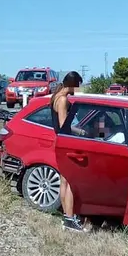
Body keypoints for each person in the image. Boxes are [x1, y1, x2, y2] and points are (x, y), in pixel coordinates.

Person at [50, 71, 88, 232]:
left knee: (64, 181)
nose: (78, 89)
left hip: (59, 143)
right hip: (66, 143)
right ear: (72, 84)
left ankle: (67, 218)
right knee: (70, 182)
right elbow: (64, 125)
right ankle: (71, 220)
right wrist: (81, 132)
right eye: (77, 85)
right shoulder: (63, 100)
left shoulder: (55, 96)